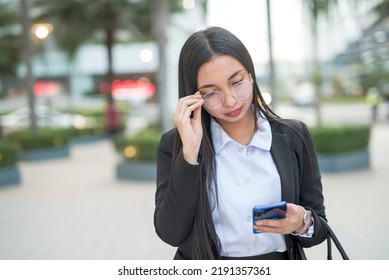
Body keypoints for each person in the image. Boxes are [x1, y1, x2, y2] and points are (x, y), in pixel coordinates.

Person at [154, 26, 328, 260]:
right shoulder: (176, 144)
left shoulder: (293, 136)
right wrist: (190, 155)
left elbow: (320, 229)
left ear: (251, 75)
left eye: (237, 82)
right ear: (194, 97)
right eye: (211, 93)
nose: (230, 100)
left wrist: (302, 221)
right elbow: (170, 233)